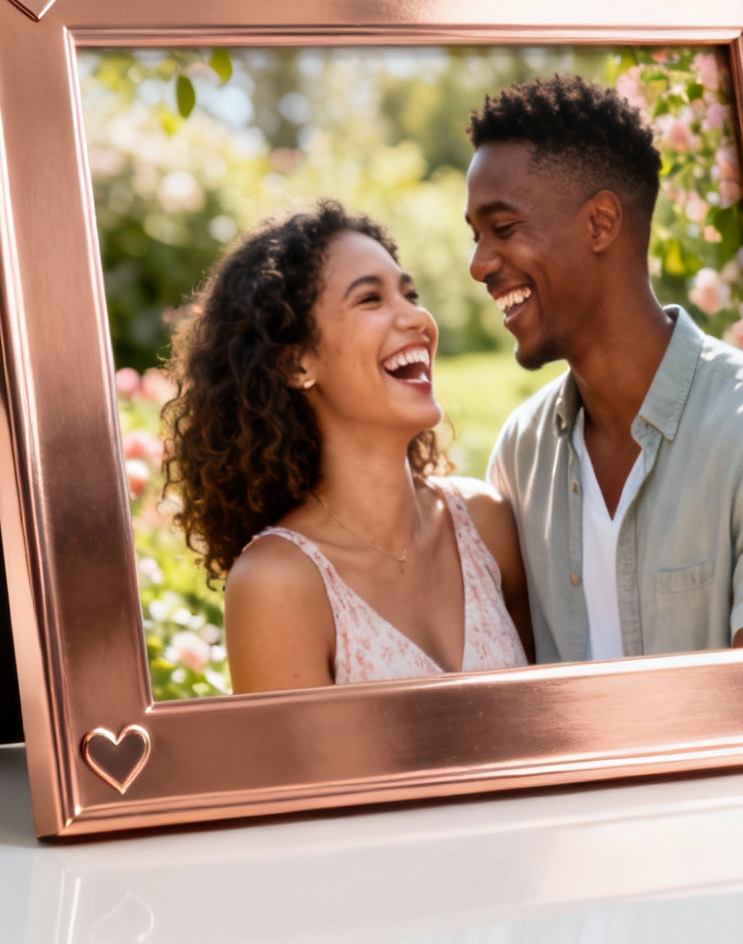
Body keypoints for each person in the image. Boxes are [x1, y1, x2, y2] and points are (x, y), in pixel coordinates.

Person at [465, 74, 743, 663]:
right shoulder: (519, 456)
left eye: (503, 228)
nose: (478, 264)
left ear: (601, 223)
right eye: (475, 236)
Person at [160, 202, 533, 693]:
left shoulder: (486, 524)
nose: (416, 317)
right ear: (297, 364)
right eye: (371, 300)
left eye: (409, 293)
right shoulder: (279, 586)